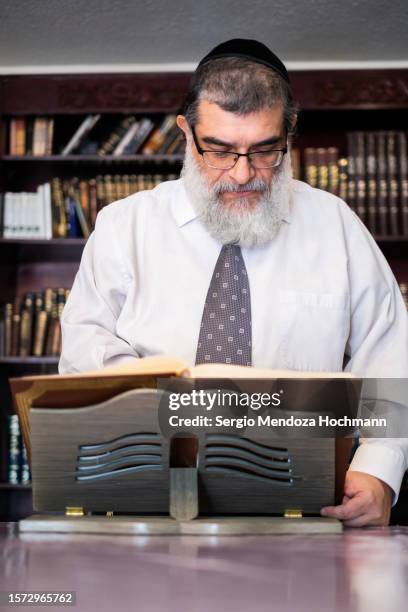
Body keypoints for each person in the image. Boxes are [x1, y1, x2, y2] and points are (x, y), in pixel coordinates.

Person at [59, 39, 408, 527]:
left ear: (289, 132)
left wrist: (378, 473)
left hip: (302, 506)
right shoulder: (123, 227)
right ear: (186, 132)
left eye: (265, 150)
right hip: (148, 501)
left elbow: (390, 353)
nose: (243, 173)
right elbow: (83, 357)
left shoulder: (336, 225)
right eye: (220, 151)